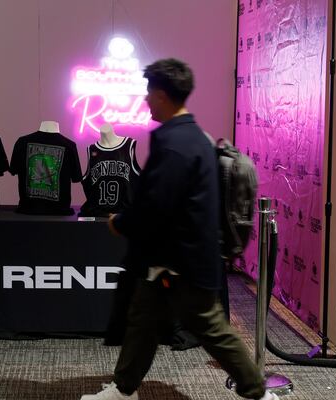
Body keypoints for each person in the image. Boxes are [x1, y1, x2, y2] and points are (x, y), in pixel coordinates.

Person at [80, 59, 276, 400]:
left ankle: (257, 392)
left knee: (212, 328)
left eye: (148, 94)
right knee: (142, 322)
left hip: (183, 261)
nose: (144, 101)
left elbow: (156, 205)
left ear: (160, 95)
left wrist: (120, 222)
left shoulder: (174, 144)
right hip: (170, 259)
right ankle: (123, 389)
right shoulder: (191, 135)